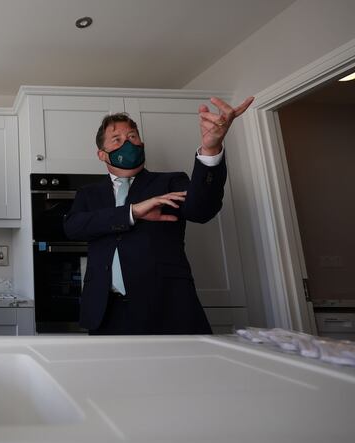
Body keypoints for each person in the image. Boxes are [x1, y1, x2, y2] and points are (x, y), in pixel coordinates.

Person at [63, 96, 254, 335]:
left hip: (167, 307)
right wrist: (133, 212)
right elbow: (73, 227)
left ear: (141, 143)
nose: (128, 143)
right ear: (102, 154)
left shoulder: (170, 181)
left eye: (132, 136)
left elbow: (201, 211)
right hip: (105, 312)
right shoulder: (88, 193)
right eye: (117, 139)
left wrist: (211, 149)